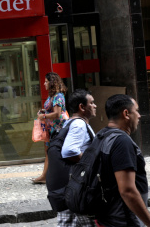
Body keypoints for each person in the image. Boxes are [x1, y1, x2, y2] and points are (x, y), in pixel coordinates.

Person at [95, 95, 150, 227]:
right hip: (123, 219)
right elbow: (127, 190)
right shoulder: (121, 142)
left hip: (107, 216)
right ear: (126, 113)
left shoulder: (101, 135)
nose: (139, 116)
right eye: (136, 110)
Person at [46, 89, 97, 226]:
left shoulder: (69, 122)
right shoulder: (79, 124)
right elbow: (69, 151)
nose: (95, 106)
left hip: (69, 190)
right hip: (77, 190)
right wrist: (91, 165)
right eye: (91, 103)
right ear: (82, 107)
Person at [32, 72, 68, 184]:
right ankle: (45, 176)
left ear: (52, 83)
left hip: (58, 130)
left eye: (46, 81)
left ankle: (50, 176)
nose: (44, 83)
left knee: (54, 152)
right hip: (51, 129)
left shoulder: (58, 96)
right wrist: (45, 111)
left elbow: (57, 114)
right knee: (48, 151)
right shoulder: (52, 96)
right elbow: (52, 110)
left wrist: (43, 116)